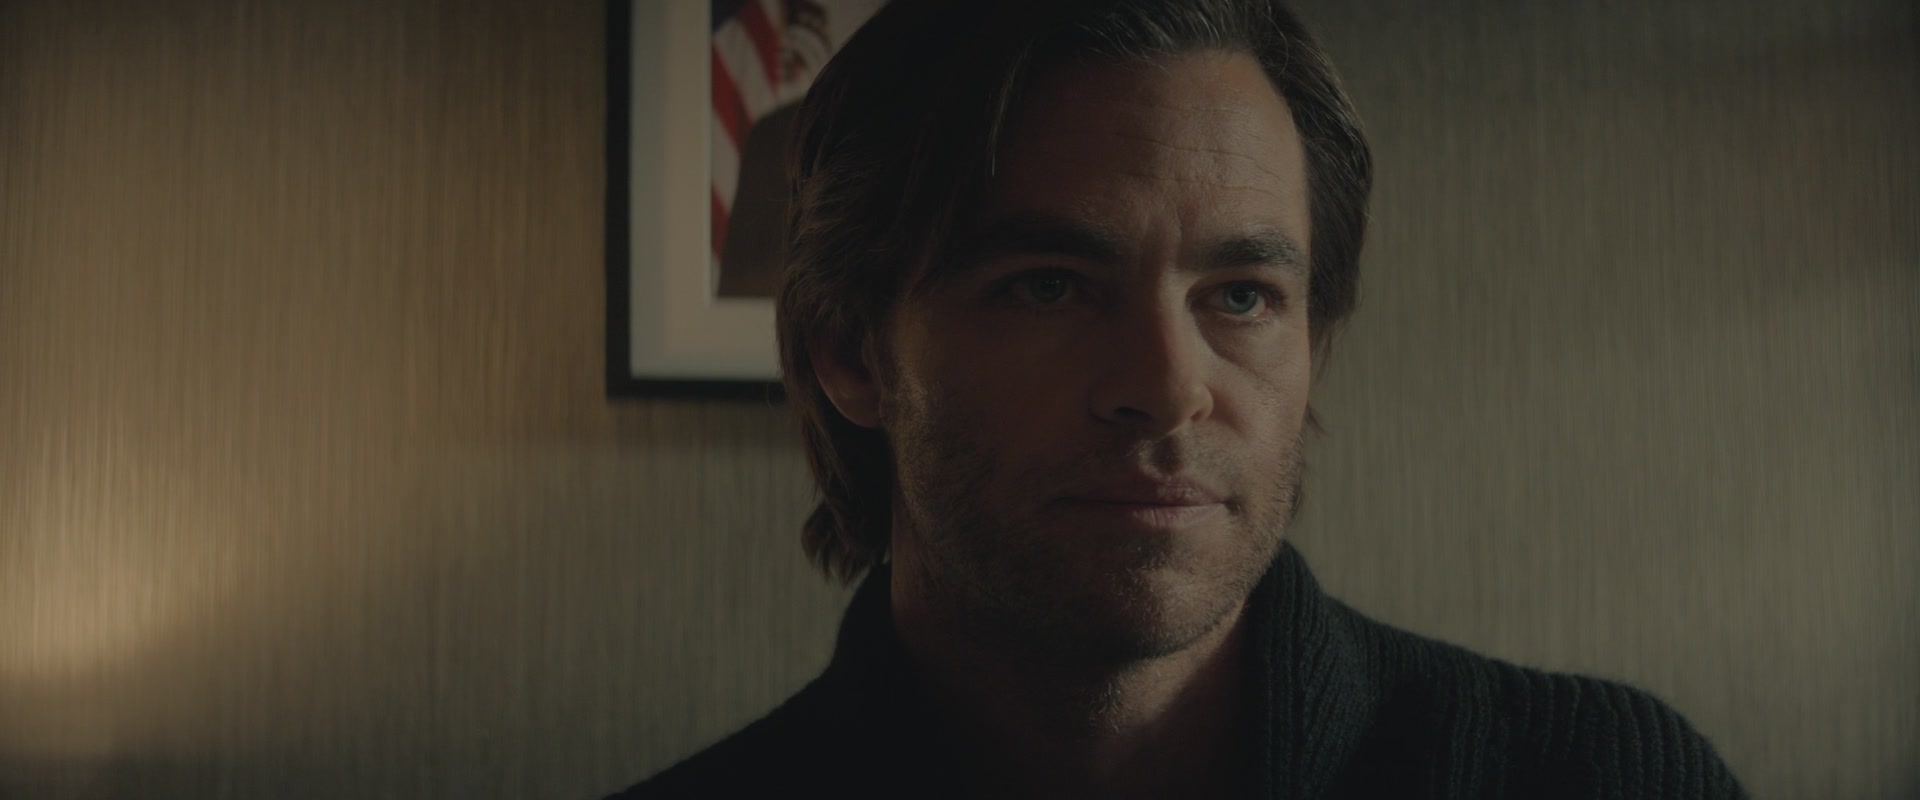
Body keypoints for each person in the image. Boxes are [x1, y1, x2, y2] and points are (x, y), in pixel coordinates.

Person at [614, 0, 1747, 797]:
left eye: (1242, 295)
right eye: (1048, 286)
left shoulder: (1597, 775)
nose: (1166, 389)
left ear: (1315, 344)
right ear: (851, 352)